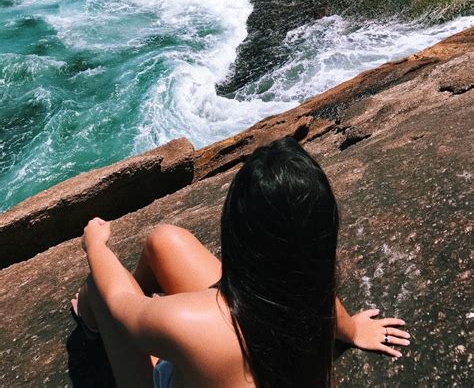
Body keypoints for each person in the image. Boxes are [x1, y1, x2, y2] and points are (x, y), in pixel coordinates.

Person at [71, 137, 410, 387]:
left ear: (235, 228)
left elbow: (122, 303)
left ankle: (88, 318)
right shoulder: (309, 295)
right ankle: (91, 313)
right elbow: (317, 290)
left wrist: (95, 244)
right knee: (164, 240)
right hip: (242, 338)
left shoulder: (184, 322)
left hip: (203, 346)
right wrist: (352, 330)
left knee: (100, 286)